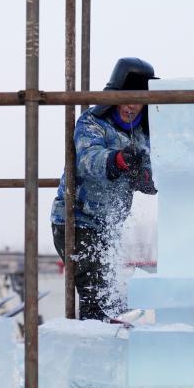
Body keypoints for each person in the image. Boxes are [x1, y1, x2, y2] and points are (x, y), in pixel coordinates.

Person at [50, 57, 158, 320]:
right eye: (126, 97)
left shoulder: (144, 134)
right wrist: (118, 160)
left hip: (106, 225)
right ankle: (93, 344)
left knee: (109, 291)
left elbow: (155, 177)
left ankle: (108, 334)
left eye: (139, 99)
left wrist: (144, 177)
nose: (131, 106)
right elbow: (88, 159)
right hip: (76, 222)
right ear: (113, 97)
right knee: (96, 294)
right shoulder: (92, 123)